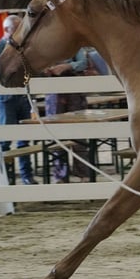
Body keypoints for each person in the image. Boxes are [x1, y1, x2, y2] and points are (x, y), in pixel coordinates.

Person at [0, 14, 37, 185]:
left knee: (24, 140)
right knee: (5, 139)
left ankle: (26, 176)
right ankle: (3, 177)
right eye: (17, 28)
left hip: (23, 97)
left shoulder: (22, 49)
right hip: (6, 99)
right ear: (7, 30)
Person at [44, 48, 94, 182]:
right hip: (54, 92)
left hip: (74, 92)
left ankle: (83, 174)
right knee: (56, 133)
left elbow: (83, 63)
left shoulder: (75, 46)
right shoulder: (44, 45)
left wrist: (67, 66)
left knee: (79, 133)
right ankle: (60, 175)